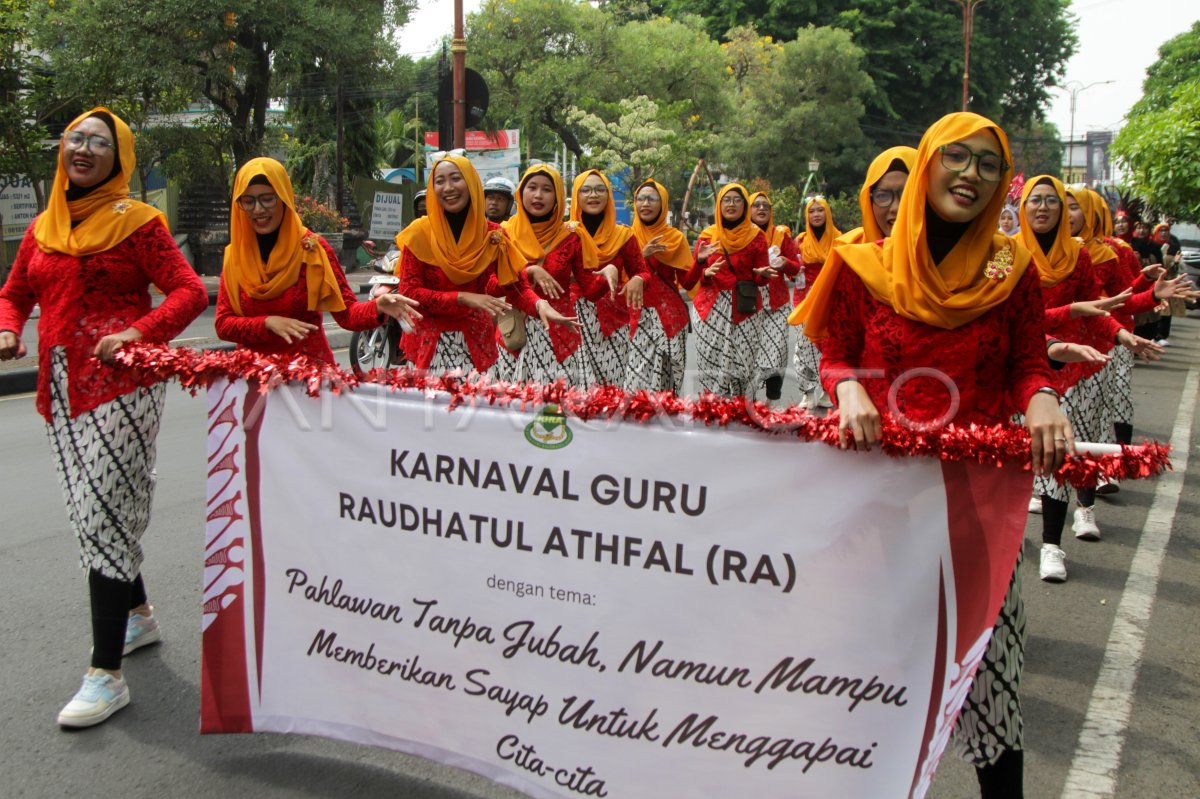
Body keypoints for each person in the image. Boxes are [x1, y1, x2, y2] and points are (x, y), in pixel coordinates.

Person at [793, 112, 1073, 798]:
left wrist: (1040, 397)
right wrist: (849, 387)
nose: (971, 175)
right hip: (879, 505)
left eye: (988, 165)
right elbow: (834, 353)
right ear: (926, 166)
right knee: (869, 682)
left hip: (976, 508)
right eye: (958, 158)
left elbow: (1028, 361)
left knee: (991, 685)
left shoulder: (1013, 272)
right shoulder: (862, 263)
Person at [0, 107, 208, 728]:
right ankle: (137, 616)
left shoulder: (138, 222)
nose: (83, 149)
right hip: (59, 385)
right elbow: (15, 292)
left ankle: (105, 673)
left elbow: (189, 291)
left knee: (102, 511)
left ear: (119, 157)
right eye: (74, 140)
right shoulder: (44, 227)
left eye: (98, 142)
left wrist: (137, 331)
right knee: (88, 509)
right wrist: (9, 329)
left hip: (125, 383)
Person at [1017, 179, 1160, 580]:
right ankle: (1013, 535)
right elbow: (1000, 310)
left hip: (1080, 371)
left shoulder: (1079, 256)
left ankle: (1053, 544)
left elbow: (1100, 307)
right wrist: (1066, 319)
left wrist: (1122, 334)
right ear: (1022, 208)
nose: (1043, 208)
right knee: (1022, 460)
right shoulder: (1003, 254)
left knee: (1067, 454)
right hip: (1025, 370)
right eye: (1035, 201)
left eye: (1052, 201)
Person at [215, 158, 420, 362]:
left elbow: (347, 314)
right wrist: (267, 323)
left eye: (267, 199)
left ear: (284, 198)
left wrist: (377, 306)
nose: (258, 210)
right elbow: (223, 324)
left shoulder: (311, 249)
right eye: (248, 201)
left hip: (307, 380)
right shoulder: (235, 255)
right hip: (251, 380)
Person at [395, 154, 576, 375]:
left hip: (476, 346)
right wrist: (464, 297)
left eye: (455, 178)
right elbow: (408, 292)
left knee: (479, 408)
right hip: (427, 346)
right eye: (440, 181)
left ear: (471, 184)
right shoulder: (419, 233)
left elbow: (515, 287)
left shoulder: (493, 235)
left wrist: (539, 305)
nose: (448, 187)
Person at [502, 164, 617, 386]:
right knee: (516, 412)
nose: (538, 195)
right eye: (532, 187)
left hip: (560, 335)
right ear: (520, 192)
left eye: (547, 189)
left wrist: (609, 272)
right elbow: (491, 284)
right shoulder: (503, 234)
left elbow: (590, 290)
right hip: (514, 335)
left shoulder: (571, 236)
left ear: (558, 197)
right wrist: (529, 272)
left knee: (563, 413)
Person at [680, 183, 770, 397]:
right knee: (710, 370)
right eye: (726, 200)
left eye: (737, 200)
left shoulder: (756, 236)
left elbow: (759, 280)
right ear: (719, 205)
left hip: (744, 309)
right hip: (710, 309)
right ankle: (711, 414)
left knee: (743, 369)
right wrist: (702, 266)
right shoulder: (708, 235)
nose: (731, 204)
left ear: (744, 205)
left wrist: (763, 275)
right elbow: (690, 282)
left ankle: (740, 415)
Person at [568, 169, 650, 387]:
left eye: (599, 189)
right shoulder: (565, 233)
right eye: (586, 190)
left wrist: (637, 280)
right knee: (576, 392)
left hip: (613, 321)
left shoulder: (623, 235)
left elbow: (642, 271)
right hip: (571, 320)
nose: (593, 195)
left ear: (608, 196)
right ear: (576, 196)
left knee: (611, 390)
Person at [627, 179, 693, 393]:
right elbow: (620, 281)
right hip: (636, 316)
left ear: (662, 203)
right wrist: (642, 256)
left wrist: (701, 263)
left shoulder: (675, 238)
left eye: (652, 199)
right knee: (635, 382)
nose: (645, 204)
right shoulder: (626, 237)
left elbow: (689, 282)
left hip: (670, 319)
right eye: (641, 199)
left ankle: (665, 424)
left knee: (668, 383)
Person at [748, 191, 801, 401]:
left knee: (777, 352)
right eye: (756, 205)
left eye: (766, 206)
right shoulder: (742, 235)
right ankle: (747, 399)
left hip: (777, 304)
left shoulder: (781, 235)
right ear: (749, 209)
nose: (761, 209)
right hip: (749, 303)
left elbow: (796, 269)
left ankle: (771, 400)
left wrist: (785, 263)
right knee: (749, 352)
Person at [792, 197, 842, 409]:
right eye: (811, 211)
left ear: (827, 213)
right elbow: (794, 267)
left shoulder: (841, 239)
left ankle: (828, 390)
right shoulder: (800, 241)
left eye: (820, 210)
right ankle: (808, 391)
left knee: (829, 346)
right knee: (804, 345)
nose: (816, 215)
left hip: (831, 298)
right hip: (805, 298)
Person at [837, 145, 918, 245]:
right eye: (883, 196)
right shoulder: (847, 256)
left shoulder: (942, 255)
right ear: (869, 202)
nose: (896, 208)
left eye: (907, 194)